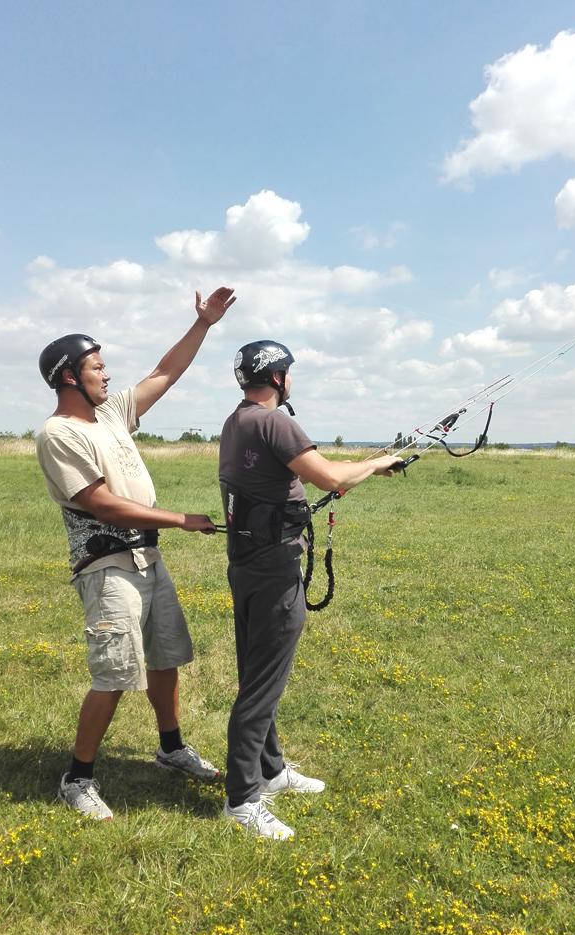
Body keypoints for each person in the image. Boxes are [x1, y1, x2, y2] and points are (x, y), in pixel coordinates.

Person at [36, 287, 236, 820]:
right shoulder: (58, 434)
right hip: (108, 567)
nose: (107, 375)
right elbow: (100, 503)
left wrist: (204, 324)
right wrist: (181, 519)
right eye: (97, 367)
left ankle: (171, 748)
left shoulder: (110, 415)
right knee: (115, 673)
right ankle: (78, 778)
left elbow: (164, 373)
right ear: (69, 376)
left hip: (148, 560)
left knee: (165, 659)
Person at [219, 339, 402, 839]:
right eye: (289, 372)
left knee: (257, 671)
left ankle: (271, 770)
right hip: (274, 569)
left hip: (247, 565)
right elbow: (329, 479)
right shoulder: (275, 422)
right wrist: (377, 464)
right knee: (262, 684)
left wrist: (364, 465)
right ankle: (242, 798)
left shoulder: (236, 421)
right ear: (278, 377)